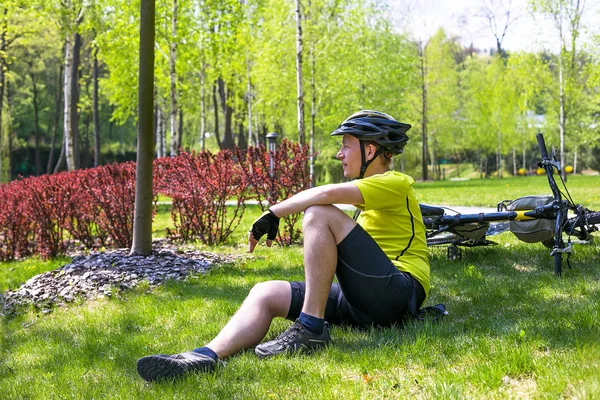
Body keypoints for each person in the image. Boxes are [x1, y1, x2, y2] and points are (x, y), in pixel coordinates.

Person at [136, 110, 430, 382]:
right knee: (264, 293)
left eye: (346, 145)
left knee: (319, 213)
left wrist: (274, 212)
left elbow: (325, 193)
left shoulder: (395, 183)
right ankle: (204, 356)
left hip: (398, 294)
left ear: (369, 149)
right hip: (363, 300)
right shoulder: (371, 197)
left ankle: (311, 328)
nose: (339, 154)